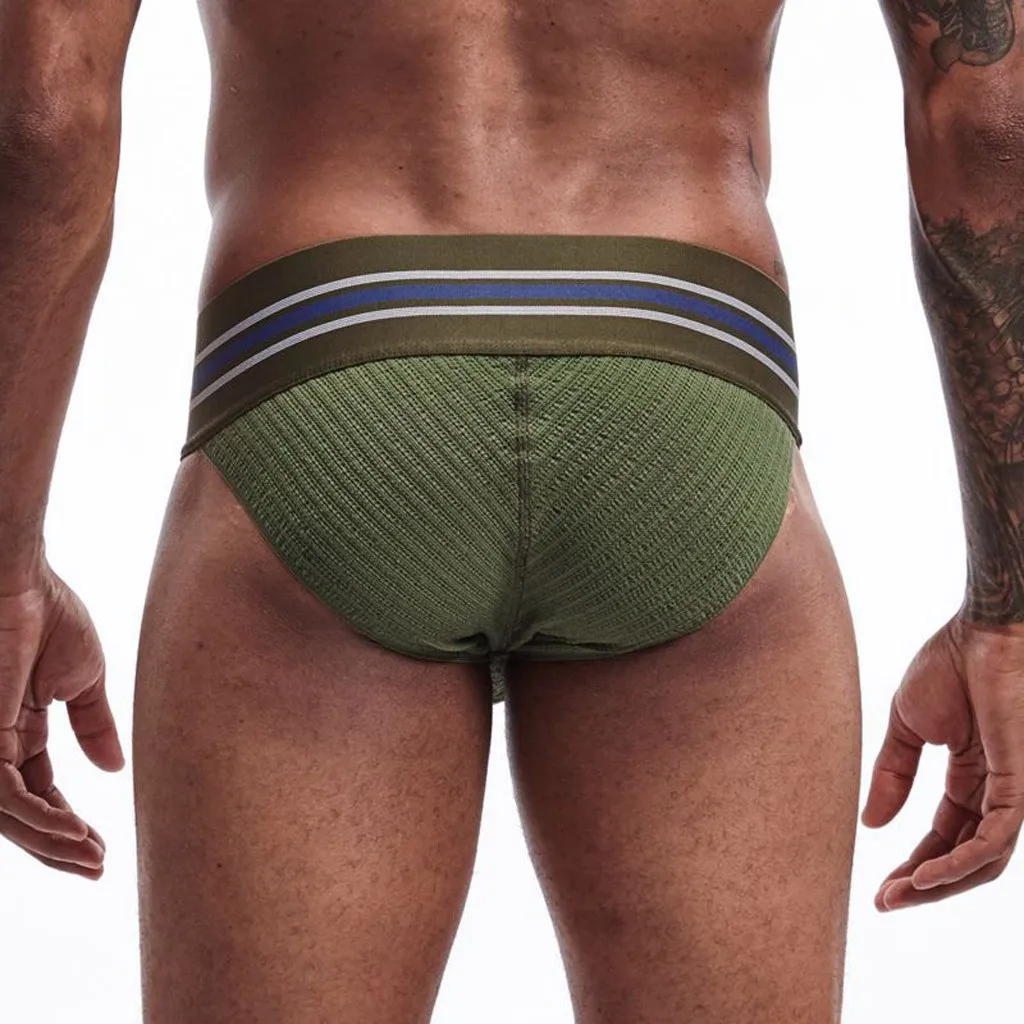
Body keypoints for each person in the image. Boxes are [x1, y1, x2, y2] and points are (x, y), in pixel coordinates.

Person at [1, 0, 1022, 1020]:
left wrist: (5, 571)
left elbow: (45, 119)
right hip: (682, 370)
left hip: (326, 358)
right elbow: (987, 117)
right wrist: (1006, 610)